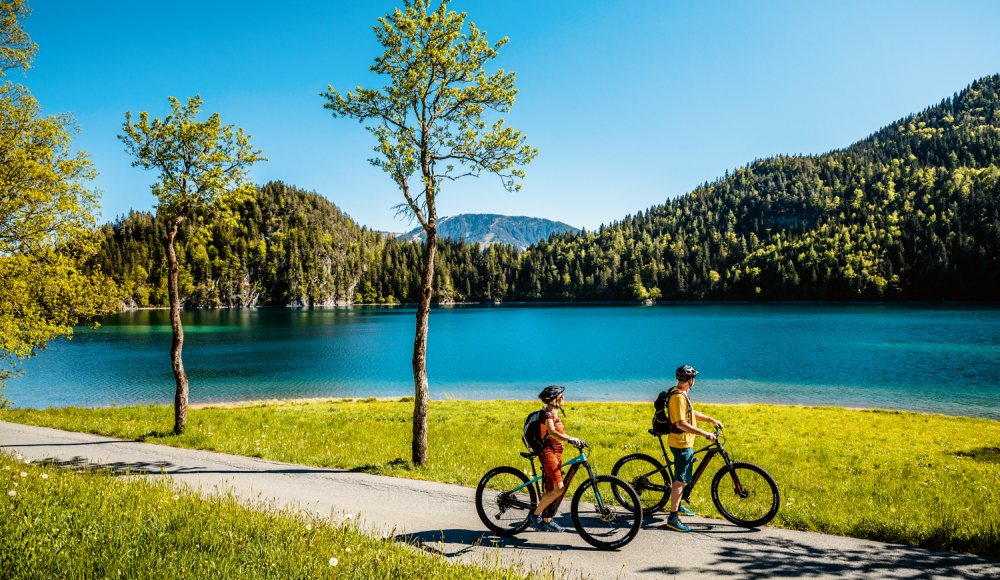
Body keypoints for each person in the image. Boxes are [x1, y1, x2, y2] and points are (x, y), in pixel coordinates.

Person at [665, 365, 723, 532]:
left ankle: (679, 504)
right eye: (693, 378)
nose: (694, 381)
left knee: (681, 477)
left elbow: (690, 412)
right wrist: (705, 434)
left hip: (685, 442)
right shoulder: (678, 397)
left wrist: (711, 419)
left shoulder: (682, 394)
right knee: (680, 481)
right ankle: (672, 518)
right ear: (689, 380)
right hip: (681, 443)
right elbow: (681, 423)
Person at [529, 385, 583, 532]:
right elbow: (552, 432)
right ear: (553, 399)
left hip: (557, 453)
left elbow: (558, 433)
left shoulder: (555, 413)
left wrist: (572, 440)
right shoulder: (548, 415)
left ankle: (547, 520)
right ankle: (535, 516)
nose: (563, 397)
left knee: (551, 487)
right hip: (549, 453)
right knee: (559, 488)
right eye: (560, 396)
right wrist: (571, 439)